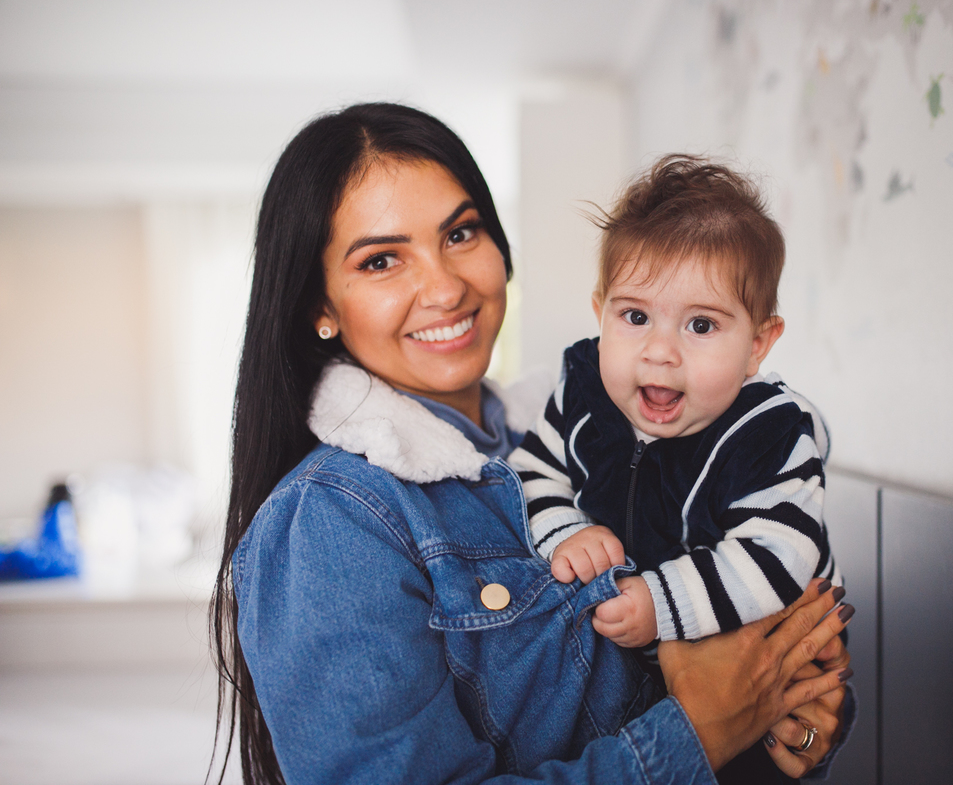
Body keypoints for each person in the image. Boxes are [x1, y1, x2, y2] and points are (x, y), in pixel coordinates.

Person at [210, 103, 855, 785]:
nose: (445, 287)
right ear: (320, 307)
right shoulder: (330, 520)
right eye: (381, 260)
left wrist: (800, 717)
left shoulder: (579, 433)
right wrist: (697, 732)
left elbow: (762, 631)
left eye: (460, 233)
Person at [509, 156, 842, 783]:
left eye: (701, 325)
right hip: (651, 705)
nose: (660, 351)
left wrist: (659, 604)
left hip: (767, 686)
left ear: (758, 343)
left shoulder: (767, 432)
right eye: (635, 317)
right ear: (600, 312)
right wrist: (567, 533)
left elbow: (781, 554)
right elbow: (530, 472)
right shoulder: (582, 395)